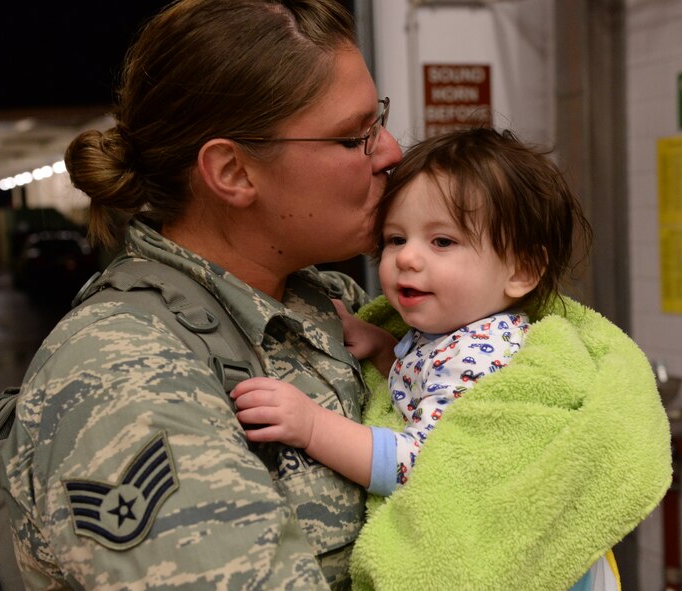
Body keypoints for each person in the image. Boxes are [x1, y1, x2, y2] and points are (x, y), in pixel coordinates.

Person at [0, 1, 402, 589]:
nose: (390, 151)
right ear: (233, 172)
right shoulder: (125, 376)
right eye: (353, 137)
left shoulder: (324, 302)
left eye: (379, 120)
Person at [231, 127, 631, 589]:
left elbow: (419, 464)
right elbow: (432, 398)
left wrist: (313, 426)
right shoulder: (451, 333)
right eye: (396, 239)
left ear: (520, 271)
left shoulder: (481, 353)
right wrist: (383, 348)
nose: (407, 259)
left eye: (442, 242)